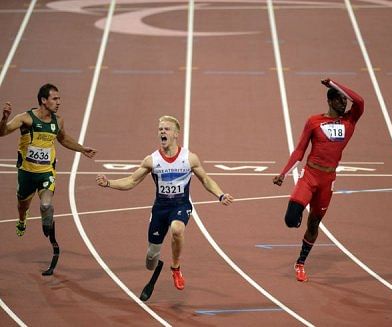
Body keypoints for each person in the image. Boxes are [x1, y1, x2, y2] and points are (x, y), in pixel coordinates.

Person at [96, 115, 234, 293]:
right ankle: (154, 259)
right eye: (160, 129)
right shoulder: (152, 160)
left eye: (167, 129)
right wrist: (109, 183)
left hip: (180, 206)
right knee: (151, 259)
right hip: (160, 209)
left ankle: (175, 268)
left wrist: (220, 195)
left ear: (176, 134)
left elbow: (206, 180)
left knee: (177, 229)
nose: (162, 131)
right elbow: (131, 181)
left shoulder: (189, 158)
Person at [273, 78, 364, 282]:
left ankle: (300, 263)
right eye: (341, 101)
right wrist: (283, 173)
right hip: (310, 175)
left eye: (346, 101)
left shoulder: (350, 121)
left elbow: (360, 101)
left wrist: (335, 84)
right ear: (331, 102)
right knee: (290, 220)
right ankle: (297, 215)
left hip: (328, 180)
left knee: (314, 224)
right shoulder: (314, 121)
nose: (345, 104)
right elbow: (299, 150)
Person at [0, 83, 97, 275]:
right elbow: (2, 132)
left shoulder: (58, 121)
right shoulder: (25, 118)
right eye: (55, 99)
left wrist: (82, 148)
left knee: (45, 205)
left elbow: (63, 139)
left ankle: (47, 224)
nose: (59, 102)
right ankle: (22, 219)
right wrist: (4, 119)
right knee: (22, 206)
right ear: (43, 100)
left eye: (59, 98)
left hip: (47, 172)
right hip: (27, 173)